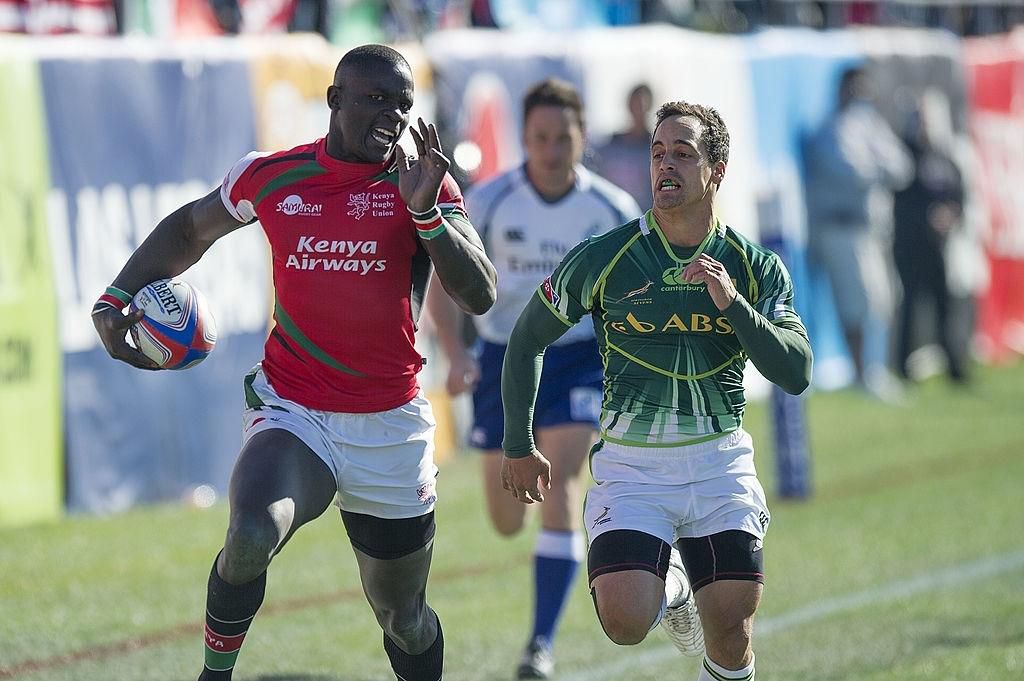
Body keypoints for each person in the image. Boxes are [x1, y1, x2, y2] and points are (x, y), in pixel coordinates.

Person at [91, 44, 496, 681]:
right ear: (334, 100)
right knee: (251, 532)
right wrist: (117, 296)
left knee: (402, 616)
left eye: (402, 104)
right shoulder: (272, 175)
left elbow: (480, 293)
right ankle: (212, 676)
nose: (390, 115)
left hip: (389, 424)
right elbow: (191, 229)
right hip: (295, 407)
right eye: (373, 99)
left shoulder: (422, 183)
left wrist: (426, 214)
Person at [500, 100, 812, 681]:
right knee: (624, 620)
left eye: (683, 154)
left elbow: (795, 372)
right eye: (658, 152)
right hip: (633, 469)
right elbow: (524, 342)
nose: (665, 165)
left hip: (719, 464)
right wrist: (518, 442)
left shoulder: (755, 267)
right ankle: (673, 588)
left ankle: (692, 600)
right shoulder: (606, 256)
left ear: (715, 171)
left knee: (732, 629)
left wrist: (733, 306)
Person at [426, 77, 640, 680]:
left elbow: (633, 300)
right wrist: (455, 353)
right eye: (539, 137)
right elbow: (443, 285)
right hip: (500, 358)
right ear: (524, 138)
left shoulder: (611, 211)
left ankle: (539, 646)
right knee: (504, 519)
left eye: (562, 137)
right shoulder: (490, 201)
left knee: (561, 484)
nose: (550, 149)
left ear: (582, 138)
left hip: (576, 358)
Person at [803, 65, 912, 399]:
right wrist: (877, 166)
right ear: (841, 89)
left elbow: (903, 168)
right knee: (856, 303)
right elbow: (852, 173)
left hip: (873, 229)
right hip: (842, 228)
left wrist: (874, 165)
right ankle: (862, 373)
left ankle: (874, 370)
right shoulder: (829, 129)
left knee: (882, 300)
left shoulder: (870, 124)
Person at [893, 91, 969, 383]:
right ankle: (904, 369)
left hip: (939, 245)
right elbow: (902, 197)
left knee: (945, 305)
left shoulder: (944, 156)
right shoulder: (905, 154)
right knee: (911, 304)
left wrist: (951, 214)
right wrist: (926, 218)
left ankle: (956, 368)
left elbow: (959, 194)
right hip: (911, 244)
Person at [592, 82, 655, 208]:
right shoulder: (609, 148)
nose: (638, 109)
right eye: (635, 103)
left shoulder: (657, 150)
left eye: (642, 105)